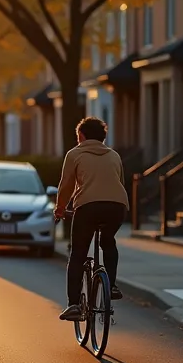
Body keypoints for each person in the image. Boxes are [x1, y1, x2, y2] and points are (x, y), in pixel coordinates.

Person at [54, 117, 130, 321]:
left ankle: (74, 305)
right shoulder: (114, 155)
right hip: (117, 207)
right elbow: (120, 182)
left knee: (78, 253)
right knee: (108, 241)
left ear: (81, 135)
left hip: (88, 207)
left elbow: (67, 185)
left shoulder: (75, 154)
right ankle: (111, 286)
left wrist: (60, 209)